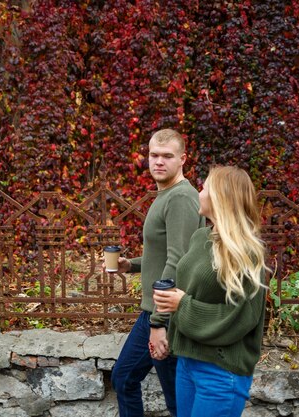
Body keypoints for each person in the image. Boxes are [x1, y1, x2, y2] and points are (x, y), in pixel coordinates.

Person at [152, 165, 268, 417]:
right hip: (187, 362)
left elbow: (241, 316)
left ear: (220, 198)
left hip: (220, 371)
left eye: (204, 188)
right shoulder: (200, 237)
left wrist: (181, 305)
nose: (199, 192)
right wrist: (169, 307)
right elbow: (189, 289)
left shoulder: (244, 252)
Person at [109, 129, 205, 417]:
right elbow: (166, 252)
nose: (159, 162)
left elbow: (179, 261)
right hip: (157, 309)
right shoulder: (167, 195)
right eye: (153, 155)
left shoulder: (180, 198)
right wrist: (132, 265)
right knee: (128, 379)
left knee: (176, 401)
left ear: (183, 159)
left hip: (166, 313)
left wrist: (159, 323)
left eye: (167, 156)